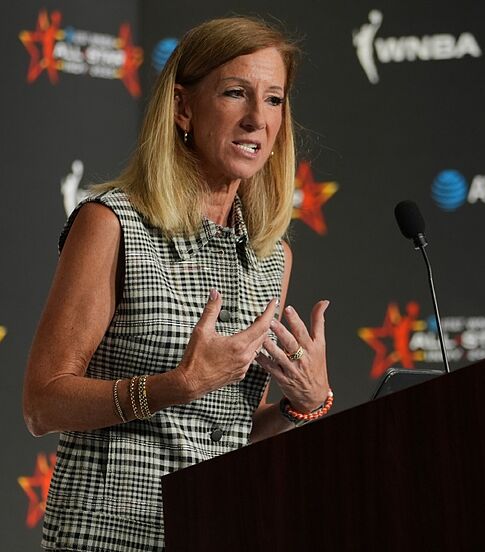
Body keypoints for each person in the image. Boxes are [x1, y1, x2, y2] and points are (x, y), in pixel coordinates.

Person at [22, 17, 332, 551]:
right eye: (236, 93)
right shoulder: (113, 224)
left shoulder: (270, 259)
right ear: (184, 108)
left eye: (274, 100)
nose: (258, 119)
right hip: (106, 539)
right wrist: (177, 383)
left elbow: (222, 431)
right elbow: (42, 404)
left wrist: (302, 405)